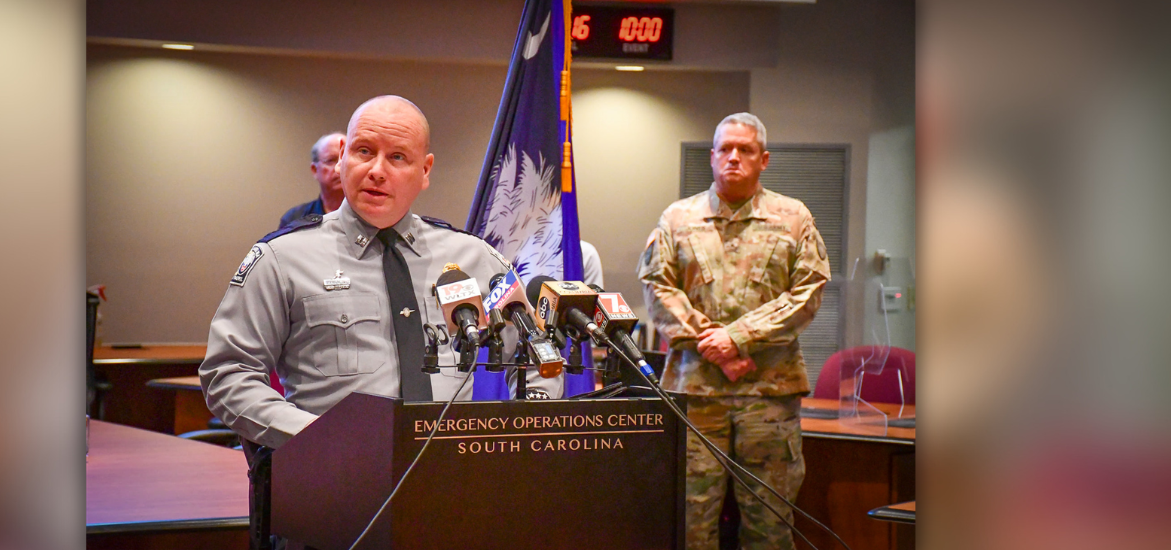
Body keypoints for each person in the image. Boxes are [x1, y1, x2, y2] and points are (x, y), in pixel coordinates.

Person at [201, 96, 559, 451]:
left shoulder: (473, 258)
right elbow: (228, 374)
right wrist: (316, 439)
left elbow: (536, 356)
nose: (376, 170)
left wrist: (521, 438)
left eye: (398, 157)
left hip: (451, 481)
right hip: (333, 481)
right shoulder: (282, 258)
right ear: (342, 157)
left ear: (425, 171)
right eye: (364, 151)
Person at [639, 112, 830, 550]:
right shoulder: (677, 218)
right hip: (696, 395)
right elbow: (657, 290)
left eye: (745, 150)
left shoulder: (793, 217)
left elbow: (809, 293)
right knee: (688, 524)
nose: (733, 158)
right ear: (711, 157)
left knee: (771, 527)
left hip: (768, 399)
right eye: (725, 149)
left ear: (764, 159)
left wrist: (738, 337)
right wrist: (718, 347)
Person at [278, 132, 346, 228]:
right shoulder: (295, 219)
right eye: (331, 160)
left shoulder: (370, 215)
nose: (340, 167)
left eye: (345, 159)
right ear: (314, 170)